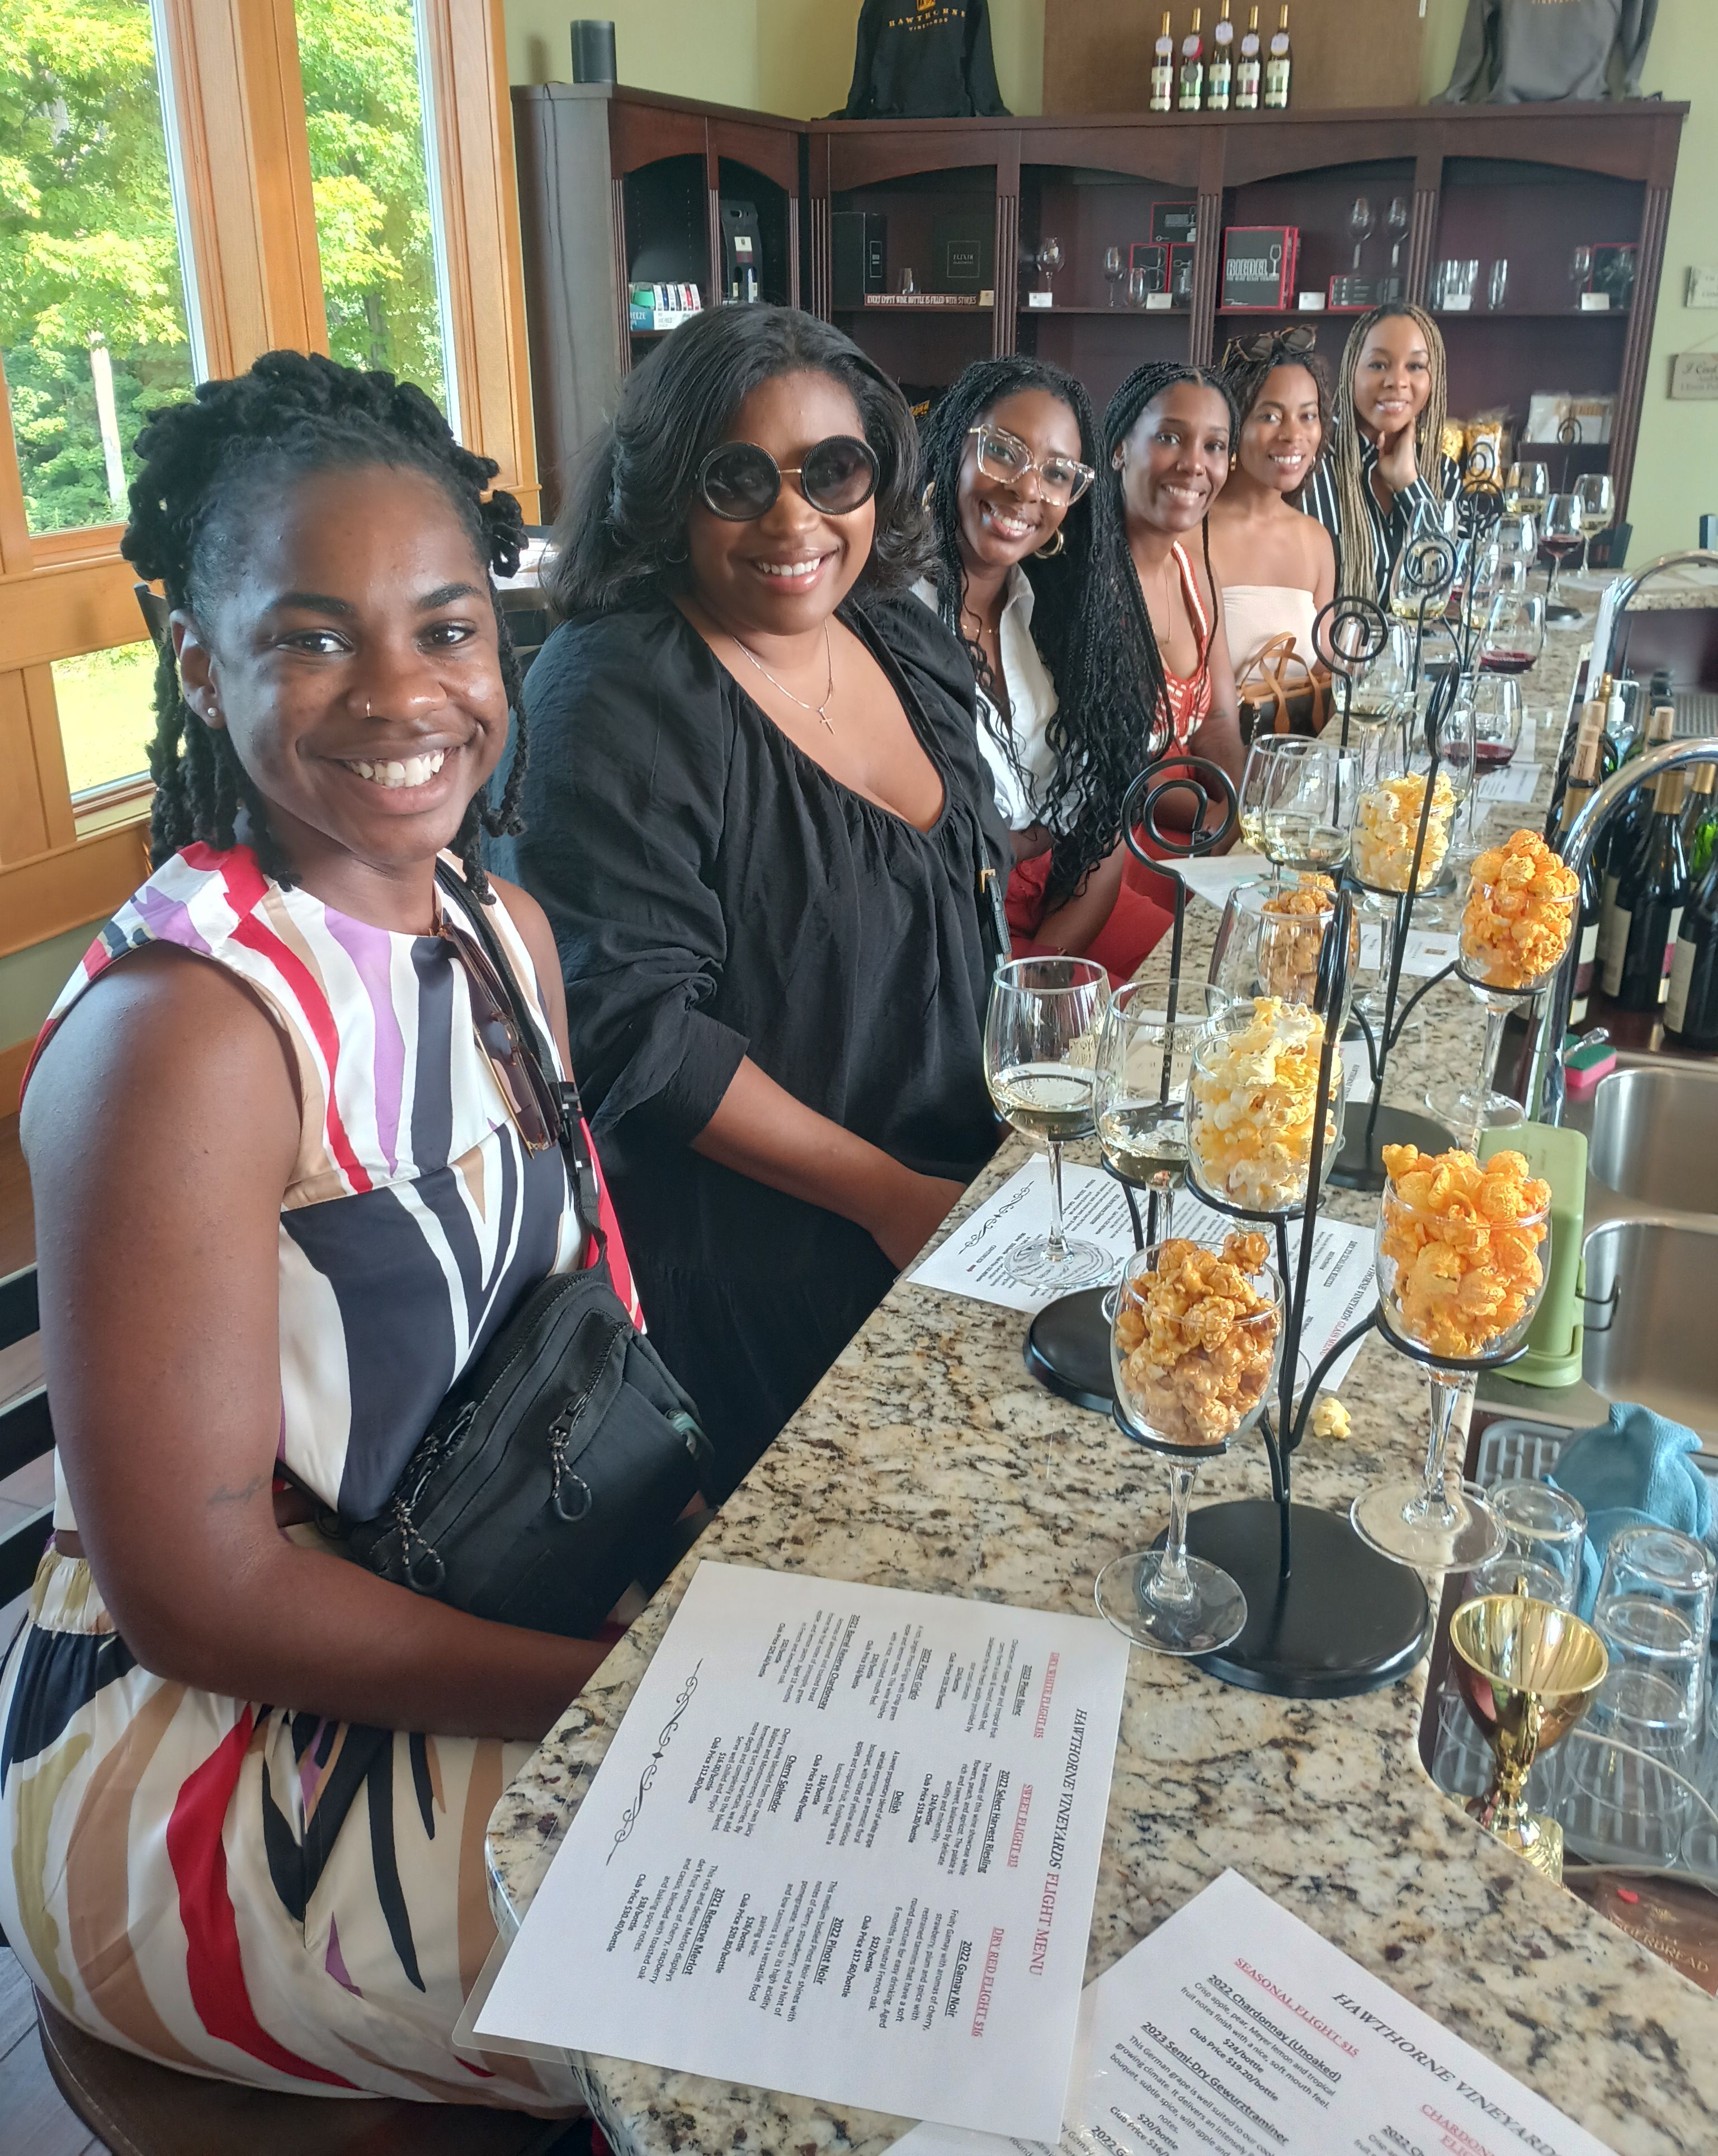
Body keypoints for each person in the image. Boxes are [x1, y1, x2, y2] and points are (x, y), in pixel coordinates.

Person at [0, 352, 615, 2109]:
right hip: (213, 1772)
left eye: (447, 628)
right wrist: (609, 1689)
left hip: (460, 1589)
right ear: (200, 664)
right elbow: (197, 1599)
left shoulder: (500, 927)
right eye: (313, 636)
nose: (401, 692)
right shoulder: (188, 1037)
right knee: (797, 1956)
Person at [494, 305, 1005, 1500]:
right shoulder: (617, 685)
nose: (794, 520)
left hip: (952, 1196)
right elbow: (636, 1034)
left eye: (834, 471)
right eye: (740, 479)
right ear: (669, 492)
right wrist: (891, 1199)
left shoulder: (895, 636)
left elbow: (965, 911)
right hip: (771, 1260)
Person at [914, 356, 1172, 980]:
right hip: (950, 929)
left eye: (1058, 473)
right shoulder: (894, 617)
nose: (1028, 489)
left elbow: (1107, 805)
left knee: (1191, 991)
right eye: (1002, 452)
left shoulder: (1061, 615)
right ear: (956, 446)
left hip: (1072, 898)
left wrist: (1050, 962)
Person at [1102, 359, 1247, 802]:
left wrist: (1232, 811)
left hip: (1196, 825)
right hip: (1112, 838)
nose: (1194, 465)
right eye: (1169, 438)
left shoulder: (1197, 572)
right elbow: (1108, 762)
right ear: (1120, 448)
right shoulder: (1085, 579)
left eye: (1214, 446)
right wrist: (1211, 825)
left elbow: (1220, 723)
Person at [1298, 305, 1458, 606]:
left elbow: (1449, 592)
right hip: (1323, 653)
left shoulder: (1443, 474)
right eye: (1379, 365)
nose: (1396, 381)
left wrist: (1411, 486)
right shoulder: (1306, 464)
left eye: (1415, 367)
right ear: (1351, 370)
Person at [1207, 330, 1337, 693]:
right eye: (1270, 417)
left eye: (1308, 416)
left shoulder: (1316, 540)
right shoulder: (1191, 532)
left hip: (1302, 745)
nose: (1293, 435)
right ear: (1234, 422)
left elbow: (1329, 676)